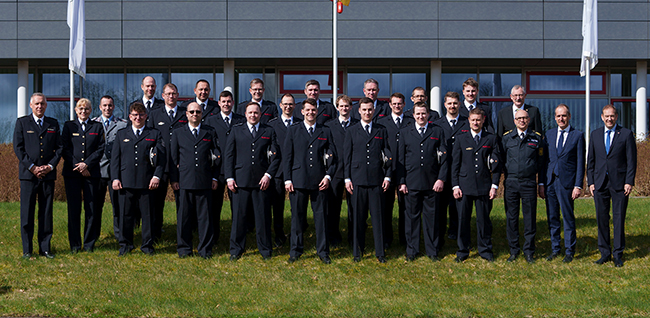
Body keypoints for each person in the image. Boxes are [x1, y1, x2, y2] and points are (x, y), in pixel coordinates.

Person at [225, 102, 281, 260]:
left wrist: (268, 175)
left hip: (261, 182)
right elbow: (229, 156)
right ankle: (236, 250)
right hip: (239, 182)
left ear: (260, 114)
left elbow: (276, 156)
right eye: (250, 112)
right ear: (245, 114)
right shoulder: (236, 130)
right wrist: (229, 177)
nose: (253, 115)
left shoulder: (268, 131)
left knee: (263, 218)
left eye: (256, 113)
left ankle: (265, 250)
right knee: (239, 219)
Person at [284, 98, 337, 264]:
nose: (310, 112)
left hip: (319, 181)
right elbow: (287, 157)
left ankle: (323, 252)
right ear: (302, 111)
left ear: (317, 111)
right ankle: (295, 251)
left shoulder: (325, 131)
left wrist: (328, 176)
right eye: (307, 110)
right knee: (297, 218)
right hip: (298, 180)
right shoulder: (293, 130)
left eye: (313, 110)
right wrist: (287, 179)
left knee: (321, 218)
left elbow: (333, 157)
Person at [111, 102, 166, 256]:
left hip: (147, 183)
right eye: (135, 115)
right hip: (125, 182)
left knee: (148, 217)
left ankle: (147, 246)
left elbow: (161, 159)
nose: (138, 117)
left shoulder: (154, 134)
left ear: (146, 116)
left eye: (141, 114)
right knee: (126, 216)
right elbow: (115, 159)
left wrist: (156, 176)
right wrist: (115, 178)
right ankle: (125, 245)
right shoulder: (122, 134)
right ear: (130, 116)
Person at [13, 93, 62, 259]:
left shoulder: (53, 124)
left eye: (42, 104)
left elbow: (59, 148)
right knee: (27, 213)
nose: (39, 106)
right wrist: (32, 167)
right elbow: (18, 148)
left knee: (46, 213)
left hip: (47, 175)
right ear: (30, 105)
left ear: (46, 105)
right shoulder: (22, 122)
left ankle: (45, 248)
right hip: (28, 175)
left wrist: (49, 166)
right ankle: (27, 249)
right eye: (36, 104)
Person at [587, 105, 637, 267]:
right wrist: (591, 182)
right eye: (606, 116)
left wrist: (629, 181)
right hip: (600, 183)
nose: (609, 119)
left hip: (620, 184)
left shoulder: (626, 134)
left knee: (618, 219)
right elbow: (591, 161)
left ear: (616, 117)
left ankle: (618, 254)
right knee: (602, 219)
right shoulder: (595, 135)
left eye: (612, 116)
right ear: (602, 117)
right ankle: (604, 253)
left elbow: (631, 161)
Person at [397, 102, 447, 262]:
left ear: (428, 114)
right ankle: (412, 250)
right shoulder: (405, 132)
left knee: (432, 219)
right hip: (411, 183)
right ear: (413, 115)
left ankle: (432, 251)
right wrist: (402, 181)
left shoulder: (437, 131)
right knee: (411, 218)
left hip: (432, 183)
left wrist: (441, 179)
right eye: (418, 114)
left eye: (423, 113)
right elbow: (400, 159)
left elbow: (444, 159)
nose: (421, 116)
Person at [170, 102, 220, 259]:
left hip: (205, 181)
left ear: (202, 114)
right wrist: (174, 179)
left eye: (198, 112)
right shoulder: (178, 133)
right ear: (186, 114)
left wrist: (214, 177)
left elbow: (217, 156)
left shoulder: (210, 132)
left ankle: (205, 249)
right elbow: (173, 158)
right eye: (191, 111)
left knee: (205, 218)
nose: (194, 114)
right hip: (184, 182)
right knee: (184, 218)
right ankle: (184, 249)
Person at [344, 97, 391, 263]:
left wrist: (387, 175)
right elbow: (347, 156)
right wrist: (347, 178)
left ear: (374, 110)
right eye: (364, 110)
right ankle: (357, 252)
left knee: (378, 218)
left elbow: (388, 155)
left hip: (376, 179)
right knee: (358, 218)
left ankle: (380, 253)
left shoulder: (381, 130)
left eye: (370, 109)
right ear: (359, 111)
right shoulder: (351, 130)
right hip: (357, 180)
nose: (367, 112)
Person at [451, 108, 501, 263]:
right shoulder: (460, 139)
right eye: (473, 120)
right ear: (469, 120)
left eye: (478, 120)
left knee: (483, 220)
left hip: (484, 186)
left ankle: (485, 250)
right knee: (462, 220)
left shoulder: (491, 139)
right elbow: (455, 164)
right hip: (464, 186)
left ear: (483, 120)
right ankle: (463, 250)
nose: (475, 122)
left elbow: (497, 165)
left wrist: (494, 186)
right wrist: (455, 185)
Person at [501, 109, 547, 263]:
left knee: (529, 218)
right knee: (511, 218)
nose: (522, 121)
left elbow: (541, 163)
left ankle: (529, 251)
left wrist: (540, 183)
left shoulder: (537, 138)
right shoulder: (507, 138)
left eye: (525, 118)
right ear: (514, 121)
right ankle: (513, 250)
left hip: (528, 183)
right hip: (511, 182)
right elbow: (501, 160)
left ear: (529, 120)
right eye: (519, 118)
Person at [61, 98, 106, 253]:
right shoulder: (68, 126)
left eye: (86, 109)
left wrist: (87, 164)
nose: (83, 111)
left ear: (91, 110)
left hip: (91, 173)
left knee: (91, 209)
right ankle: (74, 245)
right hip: (72, 174)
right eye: (80, 108)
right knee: (74, 209)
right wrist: (79, 166)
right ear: (75, 110)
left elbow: (100, 149)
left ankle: (88, 244)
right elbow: (64, 148)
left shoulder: (97, 126)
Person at [146, 83, 187, 241]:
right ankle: (155, 234)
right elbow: (150, 139)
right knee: (156, 203)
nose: (171, 96)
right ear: (162, 96)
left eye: (174, 93)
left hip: (180, 166)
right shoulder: (155, 114)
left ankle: (183, 235)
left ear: (178, 95)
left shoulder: (185, 113)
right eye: (168, 94)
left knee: (182, 203)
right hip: (160, 166)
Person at [545, 104, 585, 263]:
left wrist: (578, 185)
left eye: (564, 116)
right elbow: (545, 161)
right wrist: (542, 183)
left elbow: (581, 163)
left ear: (569, 117)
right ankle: (555, 249)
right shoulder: (549, 134)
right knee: (552, 217)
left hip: (567, 183)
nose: (561, 119)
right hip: (550, 182)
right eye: (558, 116)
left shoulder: (577, 135)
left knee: (568, 218)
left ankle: (569, 251)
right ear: (555, 118)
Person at [204, 90, 246, 241]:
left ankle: (238, 238)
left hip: (236, 170)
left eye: (229, 101)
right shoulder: (210, 121)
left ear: (233, 103)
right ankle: (214, 238)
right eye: (223, 101)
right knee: (214, 207)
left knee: (238, 208)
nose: (226, 104)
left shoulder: (241, 120)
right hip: (217, 171)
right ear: (219, 103)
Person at [377, 92, 413, 247]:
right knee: (386, 207)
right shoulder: (381, 122)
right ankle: (386, 239)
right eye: (394, 103)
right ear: (390, 105)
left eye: (400, 103)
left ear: (404, 105)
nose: (397, 106)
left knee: (406, 208)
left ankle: (405, 240)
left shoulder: (411, 121)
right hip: (388, 171)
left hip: (406, 171)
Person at [434, 91, 469, 242]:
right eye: (449, 103)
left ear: (459, 104)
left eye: (455, 103)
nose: (452, 106)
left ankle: (457, 234)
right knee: (440, 207)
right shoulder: (437, 125)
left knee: (458, 207)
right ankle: (440, 235)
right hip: (442, 171)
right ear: (445, 105)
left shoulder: (467, 123)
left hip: (461, 171)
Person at [267, 93, 301, 247]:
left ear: (295, 106)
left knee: (298, 207)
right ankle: (279, 235)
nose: (288, 107)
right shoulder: (272, 125)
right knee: (278, 206)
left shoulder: (301, 123)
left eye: (291, 104)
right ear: (280, 106)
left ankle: (298, 234)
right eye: (285, 104)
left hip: (297, 170)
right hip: (278, 172)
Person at [93, 95, 128, 240]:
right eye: (105, 105)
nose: (107, 108)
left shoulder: (123, 124)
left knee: (118, 207)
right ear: (100, 107)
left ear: (114, 107)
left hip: (116, 172)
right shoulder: (93, 123)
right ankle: (93, 237)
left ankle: (120, 236)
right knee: (95, 207)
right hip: (97, 171)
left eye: (110, 105)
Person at [324, 95, 358, 247]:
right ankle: (333, 237)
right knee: (333, 206)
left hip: (354, 171)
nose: (344, 109)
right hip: (335, 171)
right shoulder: (329, 126)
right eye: (341, 106)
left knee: (354, 207)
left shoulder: (358, 124)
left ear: (351, 107)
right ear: (337, 107)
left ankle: (354, 238)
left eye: (347, 106)